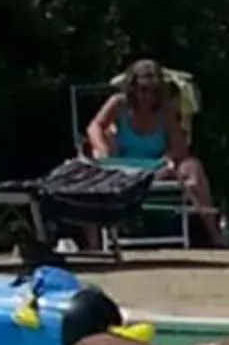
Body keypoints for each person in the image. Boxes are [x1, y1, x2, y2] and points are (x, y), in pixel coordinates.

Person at [86, 59, 221, 234]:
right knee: (91, 167)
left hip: (156, 168)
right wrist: (104, 150)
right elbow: (94, 127)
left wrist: (166, 161)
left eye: (153, 91)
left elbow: (179, 146)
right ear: (132, 88)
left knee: (193, 167)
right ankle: (95, 243)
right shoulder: (119, 104)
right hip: (122, 169)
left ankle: (213, 232)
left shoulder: (165, 110)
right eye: (143, 90)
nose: (147, 96)